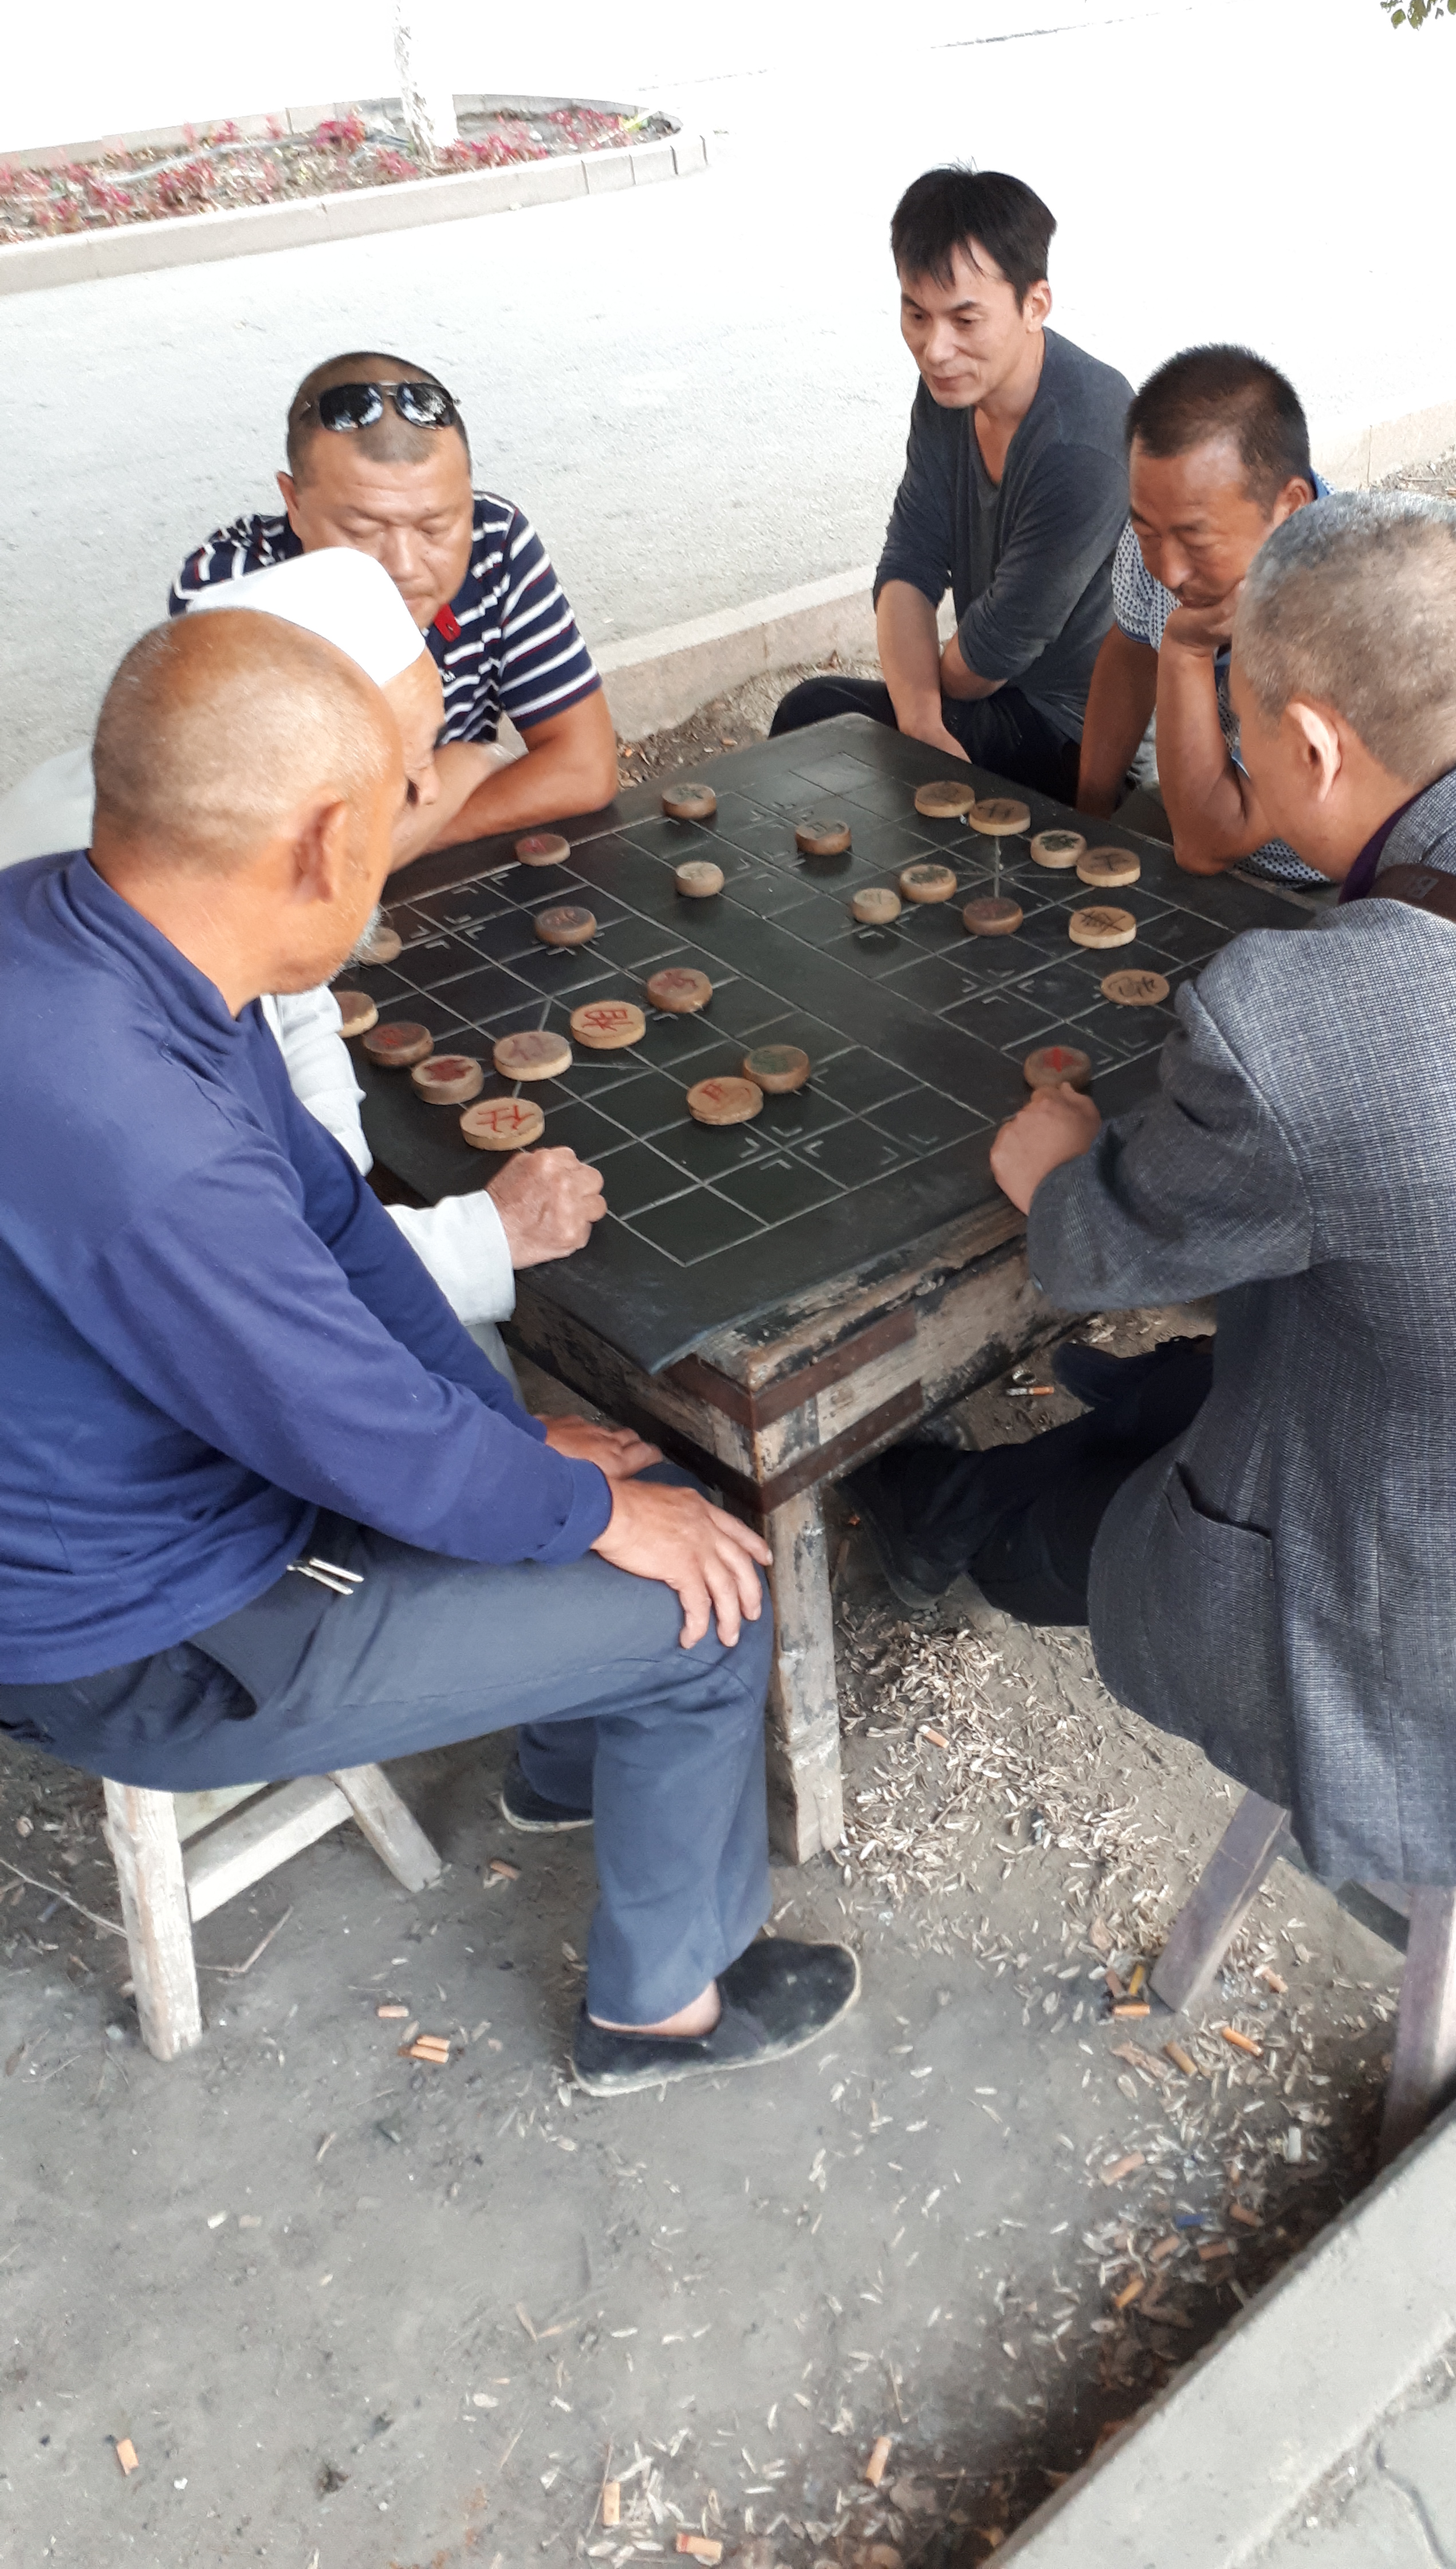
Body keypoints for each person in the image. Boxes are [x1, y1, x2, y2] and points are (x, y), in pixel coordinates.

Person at [846, 495, 1456, 1896]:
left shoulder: (1304, 1021)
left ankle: (948, 1519)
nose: (1238, 772)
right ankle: (1135, 1419)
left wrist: (1056, 1168)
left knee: (1056, 1525)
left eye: (1244, 743)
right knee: (1257, 1345)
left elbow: (1096, 1250)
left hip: (1444, 1629)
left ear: (1310, 743)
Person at [0, 611, 857, 2094]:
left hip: (144, 1488)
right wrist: (579, 1508)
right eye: (404, 803)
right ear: (328, 841)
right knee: (709, 1598)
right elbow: (359, 1441)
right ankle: (658, 2010)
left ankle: (560, 1767)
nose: (416, 828)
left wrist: (529, 1449)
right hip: (146, 1631)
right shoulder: (143, 1140)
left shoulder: (95, 933)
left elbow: (337, 1224)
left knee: (617, 1487)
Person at [0, 550, 604, 1374]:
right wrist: (483, 1239)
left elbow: (300, 1008)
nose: (430, 792)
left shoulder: (203, 830)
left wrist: (337, 1182)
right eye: (409, 769)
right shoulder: (137, 961)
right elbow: (253, 1312)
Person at [769, 168, 1131, 805]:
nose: (935, 350)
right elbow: (910, 560)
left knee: (824, 719)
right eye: (916, 314)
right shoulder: (952, 389)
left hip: (1073, 735)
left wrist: (926, 710)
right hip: (986, 696)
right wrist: (921, 724)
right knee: (815, 715)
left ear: (1035, 306)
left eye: (965, 320)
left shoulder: (1083, 439)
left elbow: (992, 653)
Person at [169, 352, 619, 841]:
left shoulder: (494, 542)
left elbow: (584, 771)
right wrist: (468, 767)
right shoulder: (228, 590)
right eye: (363, 530)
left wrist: (399, 839)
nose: (403, 566)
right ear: (294, 504)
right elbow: (274, 844)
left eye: (435, 527)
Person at [1076, 345, 1329, 886]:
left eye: (1197, 540)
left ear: (1291, 510)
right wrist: (1087, 814)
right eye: (1146, 531)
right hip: (1189, 808)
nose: (1168, 571)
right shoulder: (1162, 526)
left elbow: (1209, 843)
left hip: (1327, 877)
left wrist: (1187, 648)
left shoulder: (1347, 603)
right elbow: (1130, 655)